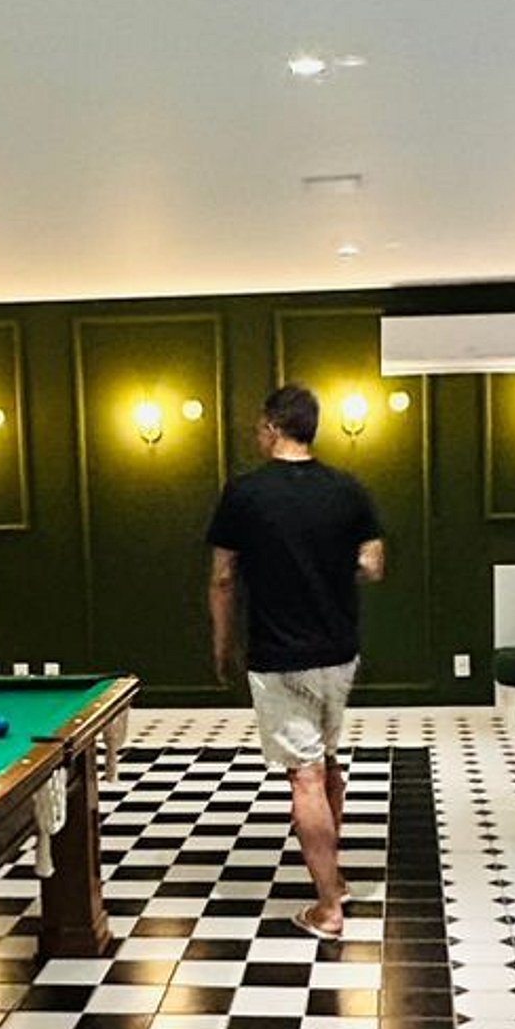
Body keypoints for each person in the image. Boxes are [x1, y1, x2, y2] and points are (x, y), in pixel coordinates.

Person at [206, 383, 385, 938]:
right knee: (326, 763)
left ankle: (328, 907)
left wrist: (221, 643)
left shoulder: (244, 494)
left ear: (271, 427)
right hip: (339, 652)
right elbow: (373, 564)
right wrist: (329, 567)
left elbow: (222, 577)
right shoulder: (348, 489)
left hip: (279, 656)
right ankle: (336, 876)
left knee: (304, 778)